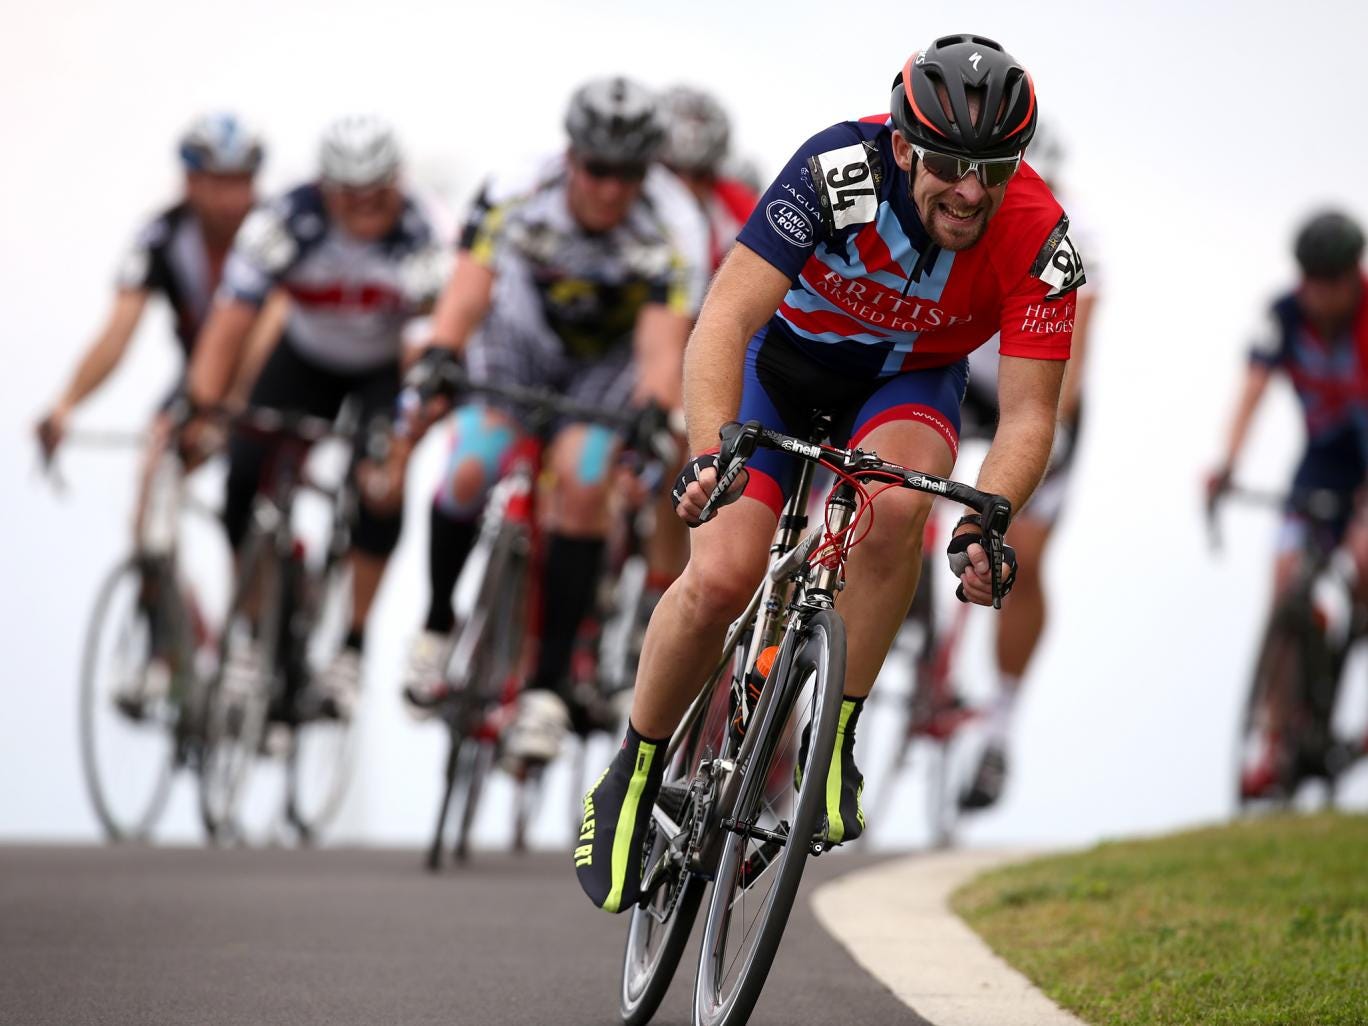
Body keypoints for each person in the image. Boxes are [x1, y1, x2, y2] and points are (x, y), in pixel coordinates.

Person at [574, 34, 1086, 912]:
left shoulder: (1040, 237)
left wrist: (988, 516)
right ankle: (634, 767)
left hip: (907, 383)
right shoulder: (837, 168)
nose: (971, 191)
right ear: (903, 147)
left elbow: (1031, 414)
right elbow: (724, 319)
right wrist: (711, 452)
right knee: (723, 575)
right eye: (949, 165)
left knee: (899, 511)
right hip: (781, 368)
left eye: (994, 169)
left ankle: (832, 738)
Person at [396, 77, 708, 766]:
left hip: (605, 364)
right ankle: (437, 624)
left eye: (629, 174)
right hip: (519, 341)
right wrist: (443, 350)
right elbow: (468, 288)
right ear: (570, 157)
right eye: (597, 169)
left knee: (585, 478)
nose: (611, 189)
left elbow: (664, 346)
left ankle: (546, 688)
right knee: (470, 463)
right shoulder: (515, 187)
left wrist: (654, 406)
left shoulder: (674, 221)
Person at [187, 114, 449, 720]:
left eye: (377, 194)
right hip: (305, 356)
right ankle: (252, 630)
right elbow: (230, 321)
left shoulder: (423, 232)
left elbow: (424, 350)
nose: (364, 208)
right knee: (242, 473)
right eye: (349, 196)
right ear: (325, 188)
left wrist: (398, 441)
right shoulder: (284, 221)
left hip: (384, 365)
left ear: (397, 181)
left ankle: (351, 647)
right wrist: (201, 406)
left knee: (380, 484)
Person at [34, 114, 274, 716]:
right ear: (189, 182)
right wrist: (66, 403)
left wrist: (227, 410)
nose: (230, 198)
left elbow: (270, 331)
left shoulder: (278, 229)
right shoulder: (162, 236)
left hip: (275, 380)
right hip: (199, 384)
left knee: (255, 495)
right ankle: (171, 644)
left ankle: (261, 636)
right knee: (153, 486)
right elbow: (119, 330)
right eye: (216, 182)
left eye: (241, 181)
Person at [953, 121, 1103, 811]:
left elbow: (1074, 352)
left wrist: (1055, 427)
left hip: (1038, 389)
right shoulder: (960, 212)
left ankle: (1000, 725)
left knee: (1028, 555)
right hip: (960, 377)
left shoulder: (1075, 240)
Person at [1207, 211, 1368, 796]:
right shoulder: (1284, 315)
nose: (1320, 295)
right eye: (1311, 280)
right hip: (1321, 463)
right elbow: (1252, 391)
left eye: (1333, 281)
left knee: (1365, 561)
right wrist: (1226, 466)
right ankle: (1277, 742)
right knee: (1283, 581)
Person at [657, 85, 759, 272]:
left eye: (699, 175)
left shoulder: (736, 204)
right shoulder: (624, 196)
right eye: (671, 173)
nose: (684, 187)